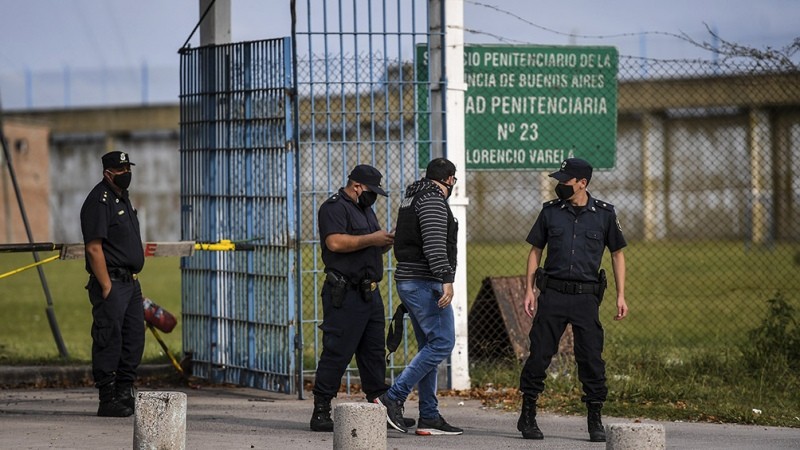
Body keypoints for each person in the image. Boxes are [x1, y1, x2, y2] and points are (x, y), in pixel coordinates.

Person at [517, 157, 628, 442]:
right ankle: (527, 414)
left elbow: (617, 254)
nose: (560, 185)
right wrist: (529, 289)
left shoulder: (604, 214)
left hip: (586, 298)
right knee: (540, 354)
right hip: (552, 294)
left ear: (582, 183)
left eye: (565, 180)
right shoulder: (550, 212)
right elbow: (535, 251)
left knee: (590, 357)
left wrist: (621, 296)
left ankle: (595, 417)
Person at [310, 164, 415, 432]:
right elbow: (334, 243)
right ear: (357, 186)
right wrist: (372, 239)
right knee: (337, 351)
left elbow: (366, 246)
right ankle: (321, 409)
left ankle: (381, 406)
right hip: (344, 293)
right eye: (372, 191)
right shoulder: (334, 208)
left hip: (369, 293)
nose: (374, 197)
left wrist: (383, 242)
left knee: (373, 353)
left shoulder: (365, 210)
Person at [374, 157, 463, 436]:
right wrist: (446, 280)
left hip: (411, 281)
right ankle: (393, 397)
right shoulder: (434, 200)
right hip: (426, 282)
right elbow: (435, 244)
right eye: (453, 180)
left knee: (429, 345)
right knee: (443, 342)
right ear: (449, 179)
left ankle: (429, 415)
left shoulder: (411, 198)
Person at [80, 150, 145, 417]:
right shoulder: (100, 200)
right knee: (109, 338)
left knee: (133, 338)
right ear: (108, 173)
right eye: (121, 170)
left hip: (130, 283)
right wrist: (106, 285)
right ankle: (107, 398)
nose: (126, 174)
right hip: (112, 282)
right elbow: (94, 248)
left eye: (128, 168)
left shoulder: (122, 198)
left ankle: (124, 392)